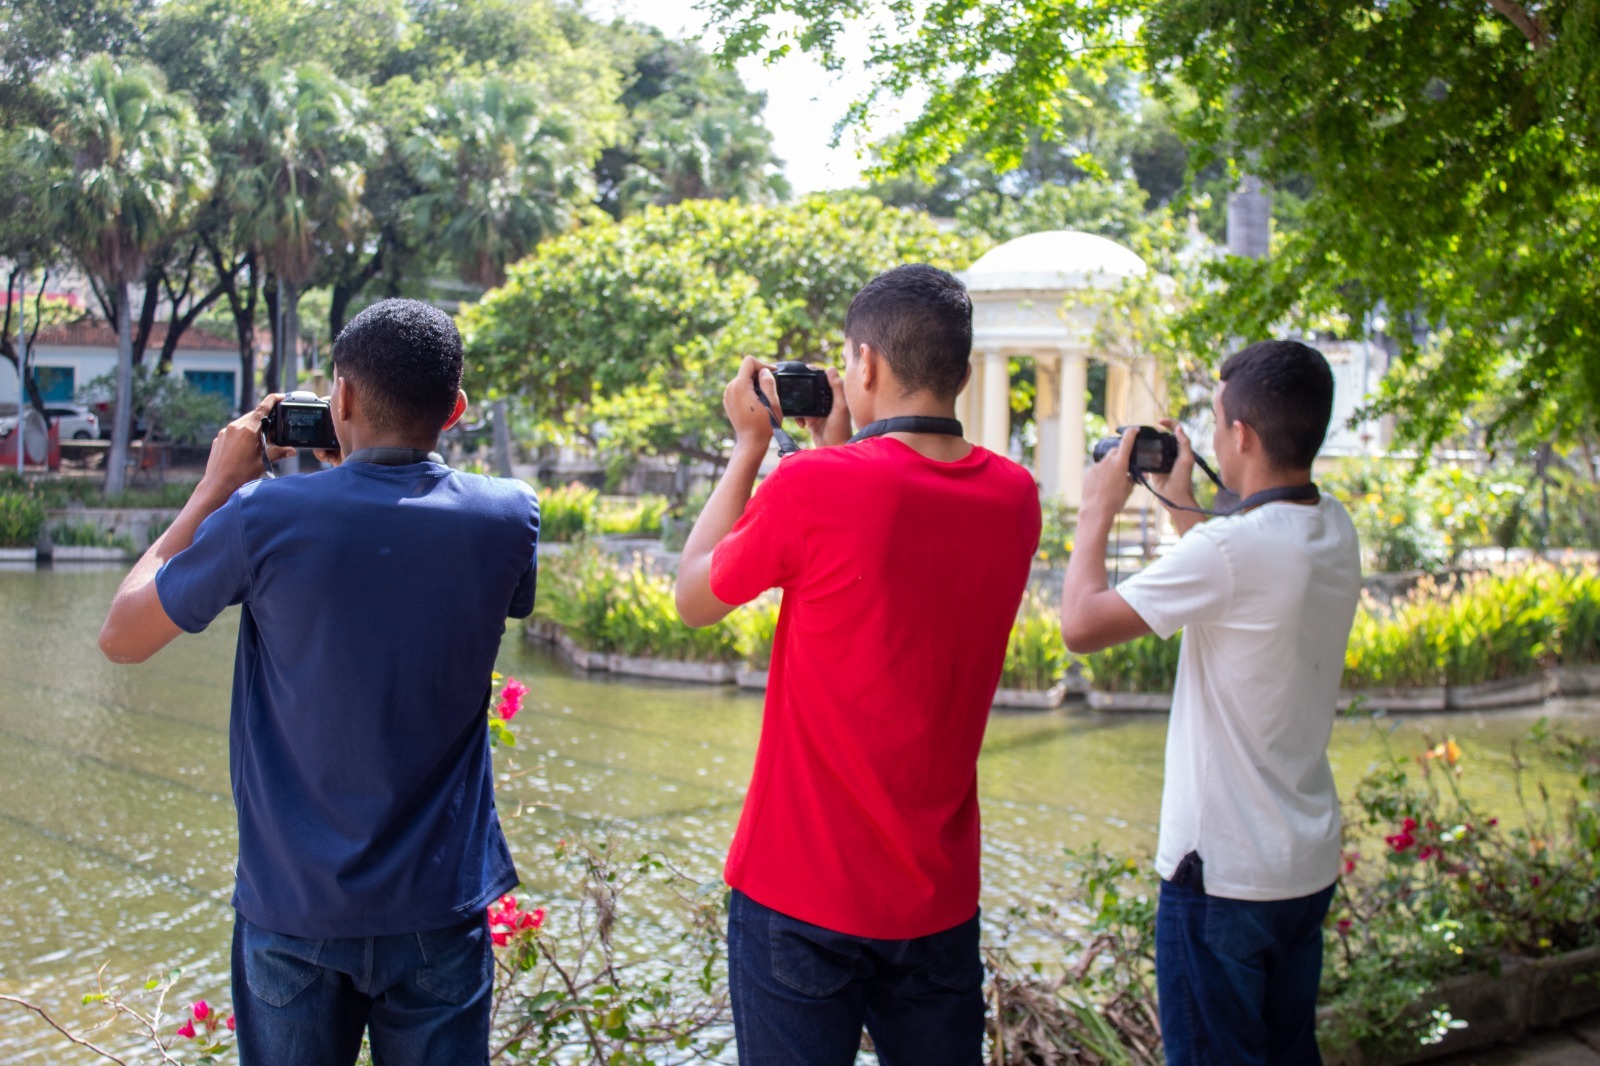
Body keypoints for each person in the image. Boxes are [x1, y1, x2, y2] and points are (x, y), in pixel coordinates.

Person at [98, 299, 540, 1066]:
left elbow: (123, 635)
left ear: (340, 400)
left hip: (294, 912)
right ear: (457, 410)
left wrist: (213, 491)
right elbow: (404, 555)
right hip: (439, 909)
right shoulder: (508, 518)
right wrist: (357, 480)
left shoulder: (263, 515)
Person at [674, 264, 1042, 1065]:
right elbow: (898, 539)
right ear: (964, 374)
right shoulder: (1016, 497)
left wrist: (749, 448)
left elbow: (694, 596)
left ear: (864, 366)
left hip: (799, 892)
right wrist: (837, 452)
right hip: (936, 902)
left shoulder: (815, 485)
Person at [1059, 339, 1361, 1065]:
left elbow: (1080, 625)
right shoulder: (1331, 527)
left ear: (1242, 436)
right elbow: (1237, 576)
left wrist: (1097, 509)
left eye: (1218, 419)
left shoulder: (1232, 551)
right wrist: (1188, 505)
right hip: (1299, 865)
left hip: (1222, 875)